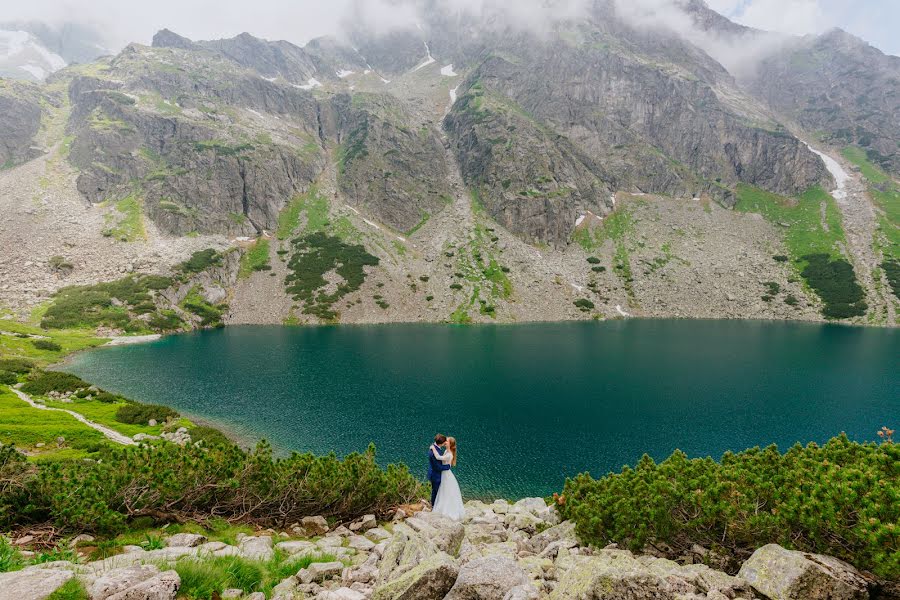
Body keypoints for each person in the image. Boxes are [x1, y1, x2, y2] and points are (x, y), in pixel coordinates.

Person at [431, 436, 465, 520]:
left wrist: (433, 448)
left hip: (446, 474)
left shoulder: (449, 454)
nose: (445, 442)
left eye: (447, 441)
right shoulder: (446, 451)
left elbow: (438, 457)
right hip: (444, 473)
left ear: (450, 444)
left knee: (446, 491)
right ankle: (441, 507)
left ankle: (447, 510)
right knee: (443, 491)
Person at [427, 434, 451, 506]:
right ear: (442, 443)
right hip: (436, 475)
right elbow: (438, 467)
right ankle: (436, 507)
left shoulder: (433, 447)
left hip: (433, 473)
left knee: (434, 491)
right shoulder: (435, 452)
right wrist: (448, 466)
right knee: (438, 492)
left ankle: (433, 505)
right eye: (445, 442)